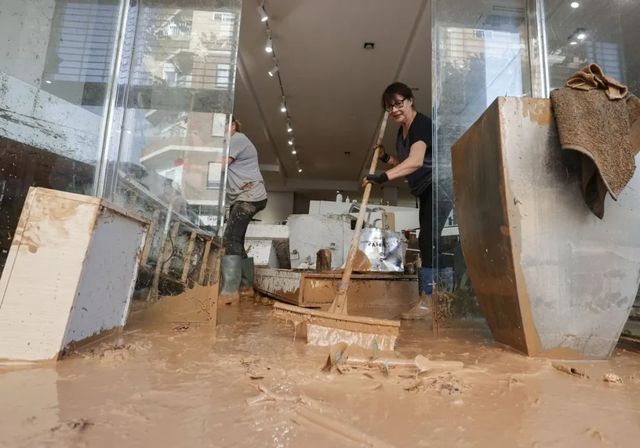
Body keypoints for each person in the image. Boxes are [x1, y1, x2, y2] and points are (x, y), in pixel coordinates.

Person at [364, 82, 434, 320]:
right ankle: (432, 300)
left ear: (410, 100)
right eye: (388, 107)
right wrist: (386, 158)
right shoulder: (401, 131)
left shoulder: (420, 125)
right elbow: (402, 161)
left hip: (439, 184)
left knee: (428, 240)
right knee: (427, 240)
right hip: (424, 189)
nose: (393, 110)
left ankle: (432, 302)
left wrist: (383, 177)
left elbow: (415, 162)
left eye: (397, 103)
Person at [219, 116, 267, 304]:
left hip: (250, 196)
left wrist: (193, 162)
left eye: (222, 127)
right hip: (243, 197)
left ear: (232, 126)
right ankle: (247, 287)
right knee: (236, 240)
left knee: (230, 238)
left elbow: (222, 164)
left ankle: (230, 290)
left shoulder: (237, 138)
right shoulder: (232, 142)